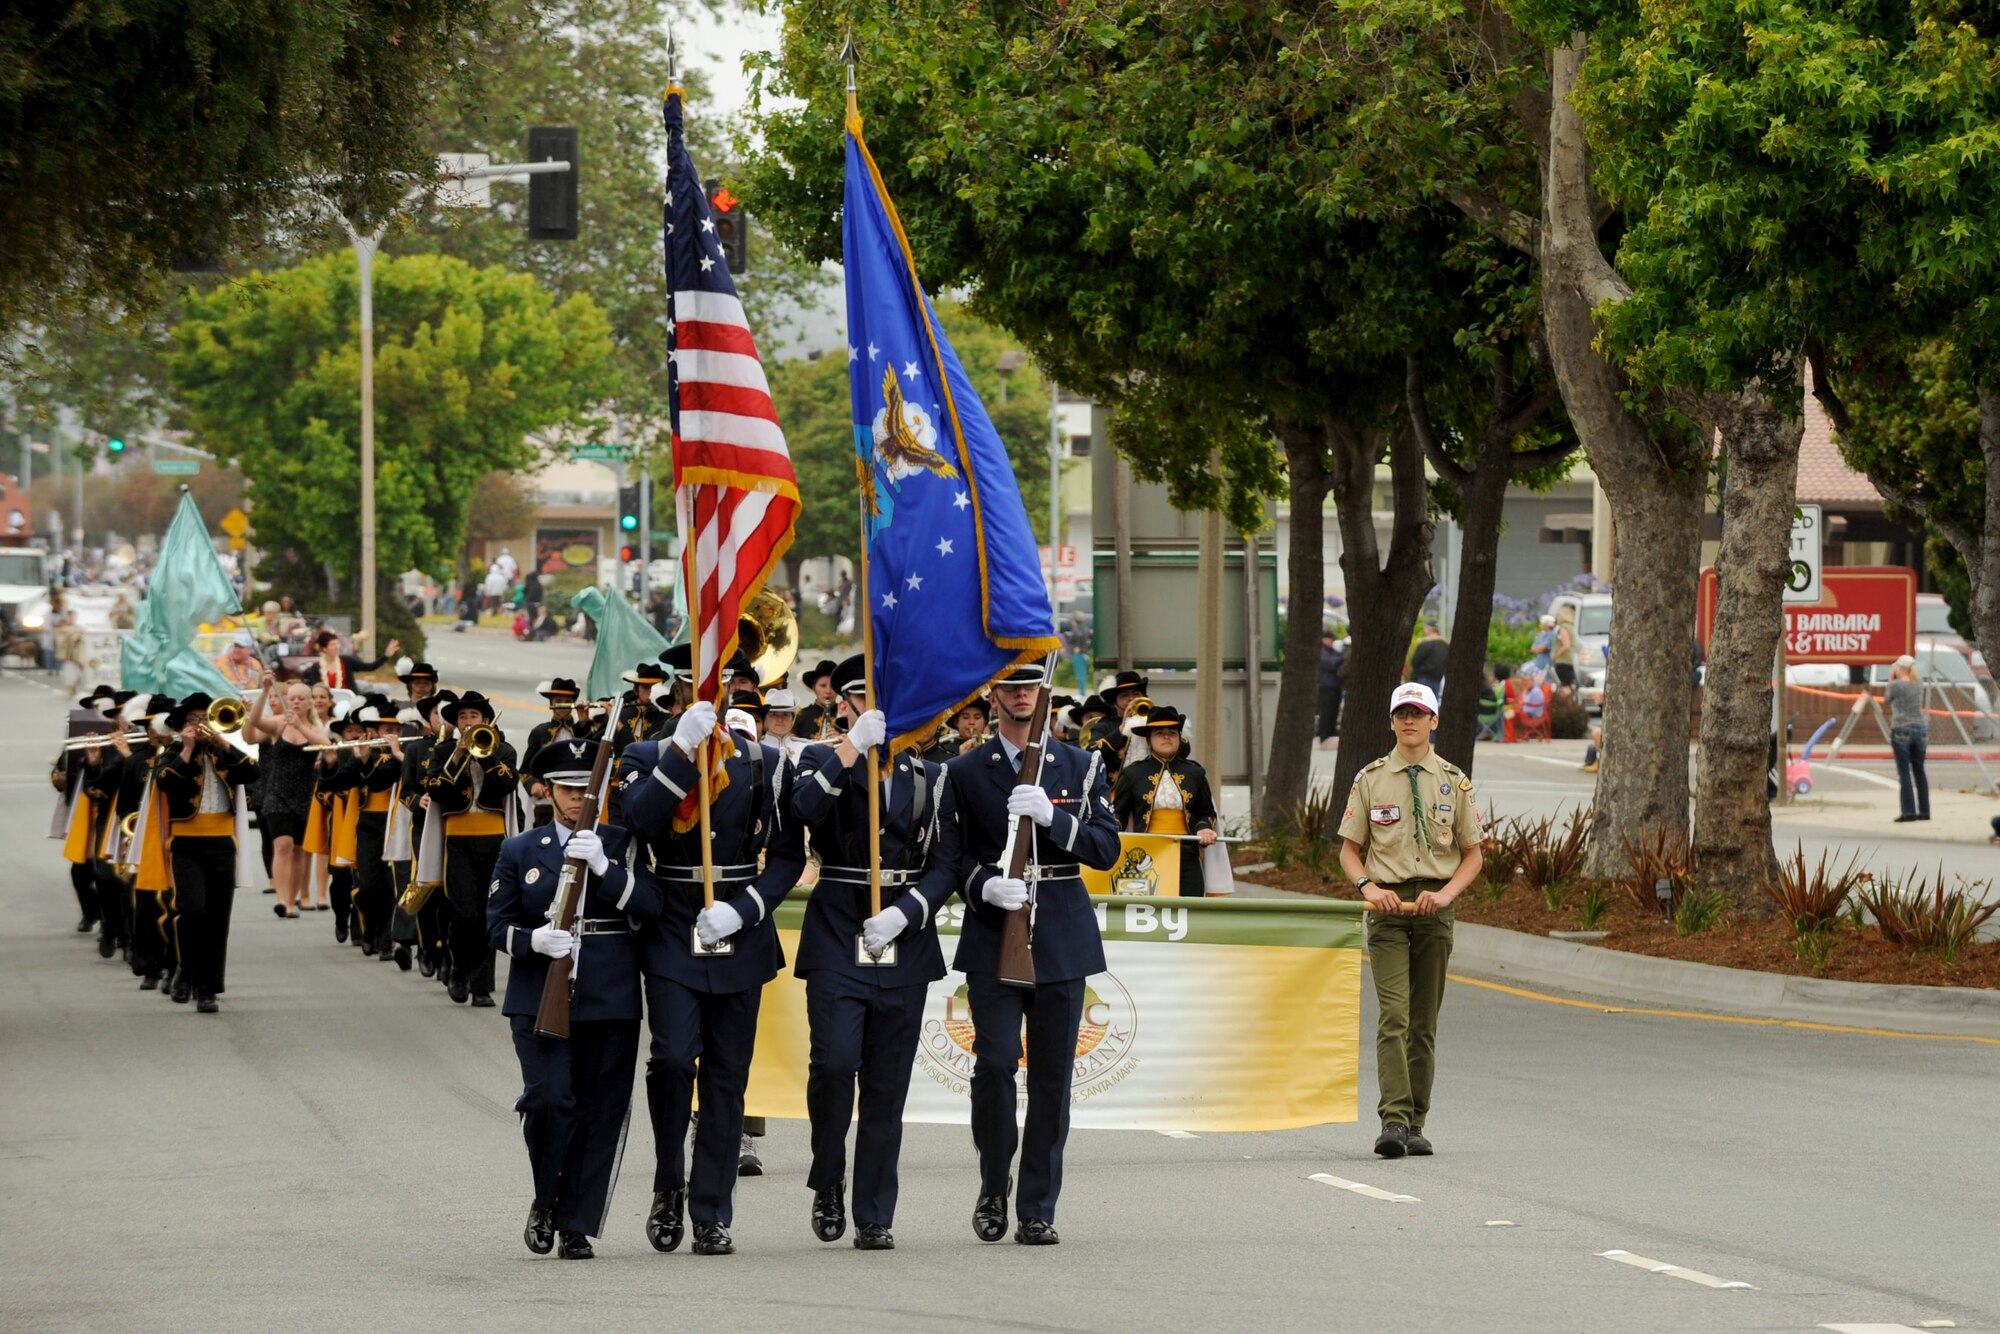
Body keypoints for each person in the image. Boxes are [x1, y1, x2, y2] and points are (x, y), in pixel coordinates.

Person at [619, 665, 807, 1258]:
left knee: (727, 1079)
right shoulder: (646, 753)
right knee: (673, 1059)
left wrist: (746, 908)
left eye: (729, 686)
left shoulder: (764, 762)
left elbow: (785, 856)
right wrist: (678, 752)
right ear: (683, 692)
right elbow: (640, 822)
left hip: (737, 928)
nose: (716, 694)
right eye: (702, 684)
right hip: (673, 921)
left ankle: (712, 1209)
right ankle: (668, 1181)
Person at [790, 656, 964, 1251]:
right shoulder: (818, 759)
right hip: (839, 925)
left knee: (887, 1086)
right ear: (843, 704)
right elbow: (800, 815)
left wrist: (906, 911)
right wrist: (846, 753)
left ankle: (874, 1211)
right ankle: (829, 1174)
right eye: (860, 699)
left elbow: (946, 864)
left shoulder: (928, 773)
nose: (874, 710)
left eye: (882, 699)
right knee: (835, 1063)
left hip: (903, 936)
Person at [947, 662, 1121, 1246]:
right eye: (1010, 686)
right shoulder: (965, 770)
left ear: (1042, 694)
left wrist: (1055, 816)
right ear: (993, 694)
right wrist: (984, 886)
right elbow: (952, 857)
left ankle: (1037, 1205)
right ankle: (995, 1181)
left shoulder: (1080, 764)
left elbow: (1105, 849)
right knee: (994, 1064)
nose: (1021, 694)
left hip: (1061, 939)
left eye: (1030, 686)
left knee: (1052, 1080)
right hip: (995, 933)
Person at [490, 737, 659, 1260]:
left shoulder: (623, 842)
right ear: (547, 790)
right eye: (566, 788)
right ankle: (546, 1199)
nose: (575, 797)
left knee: (598, 1110)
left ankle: (576, 1223)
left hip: (609, 994)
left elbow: (652, 907)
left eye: (586, 787)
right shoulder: (521, 849)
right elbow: (497, 924)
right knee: (547, 1100)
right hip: (539, 990)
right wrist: (534, 940)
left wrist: (607, 869)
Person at [1335, 682, 1484, 1159]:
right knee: (1394, 1016)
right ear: (1391, 721)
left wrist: (1445, 896)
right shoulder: (1371, 779)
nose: (1409, 721)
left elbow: (1473, 855)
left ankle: (1417, 1122)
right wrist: (1368, 888)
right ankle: (1393, 1120)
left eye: (1418, 713)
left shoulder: (1453, 781)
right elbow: (1349, 851)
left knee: (1423, 1022)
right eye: (1401, 713)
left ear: (1434, 721)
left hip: (1435, 909)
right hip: (1387, 911)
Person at [154, 693, 259, 1012]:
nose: (199, 725)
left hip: (222, 844)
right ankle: (185, 969)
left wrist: (226, 744)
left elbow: (252, 773)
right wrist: (186, 748)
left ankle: (207, 988)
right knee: (191, 909)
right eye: (192, 720)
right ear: (182, 726)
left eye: (204, 718)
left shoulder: (224, 751)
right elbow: (164, 783)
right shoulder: (173, 752)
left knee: (217, 917)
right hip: (186, 844)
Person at [423, 690, 521, 1007]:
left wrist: (485, 753)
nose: (467, 723)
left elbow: (507, 784)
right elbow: (436, 790)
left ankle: (481, 987)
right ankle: (458, 969)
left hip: (494, 839)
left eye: (473, 717)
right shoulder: (443, 753)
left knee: (487, 912)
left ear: (487, 721)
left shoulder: (503, 750)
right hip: (458, 839)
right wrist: (459, 756)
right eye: (462, 718)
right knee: (463, 911)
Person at [1110, 705, 1218, 896]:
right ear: (1149, 739)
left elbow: (1206, 812)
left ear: (1179, 737)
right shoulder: (1133, 773)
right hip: (1147, 856)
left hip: (1186, 854)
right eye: (1159, 733)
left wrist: (1204, 828)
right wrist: (1112, 828)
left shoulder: (1195, 773)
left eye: (1172, 732)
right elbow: (1119, 812)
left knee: (1190, 910)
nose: (1166, 737)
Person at [242, 678, 329, 917]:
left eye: (302, 699)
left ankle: (292, 900)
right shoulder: (279, 723)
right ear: (287, 701)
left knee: (300, 850)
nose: (297, 702)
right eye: (292, 699)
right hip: (276, 793)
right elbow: (256, 721)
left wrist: (300, 726)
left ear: (310, 703)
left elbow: (326, 745)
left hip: (304, 795)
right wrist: (264, 692)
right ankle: (281, 898)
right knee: (283, 845)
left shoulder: (314, 727)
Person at [523, 679, 596, 827]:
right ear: (551, 703)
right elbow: (524, 770)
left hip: (577, 800)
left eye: (567, 701)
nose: (562, 705)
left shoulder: (584, 729)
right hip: (546, 802)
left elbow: (593, 760)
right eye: (558, 701)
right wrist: (533, 786)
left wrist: (584, 723)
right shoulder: (540, 732)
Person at [1886, 653, 1930, 822]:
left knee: (1904, 771)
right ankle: (1925, 810)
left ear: (1901, 668)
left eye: (1896, 667)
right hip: (1920, 728)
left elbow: (1887, 699)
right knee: (1919, 770)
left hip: (1901, 728)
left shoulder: (1895, 685)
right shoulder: (1918, 683)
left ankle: (1908, 811)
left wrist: (1891, 679)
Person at [300, 628, 402, 692]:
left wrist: (386, 655)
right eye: (333, 645)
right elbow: (315, 690)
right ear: (324, 648)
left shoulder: (346, 661)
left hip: (349, 701)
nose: (337, 647)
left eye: (337, 643)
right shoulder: (316, 667)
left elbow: (370, 667)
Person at [795, 660, 840, 743]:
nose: (828, 691)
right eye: (823, 686)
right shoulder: (801, 716)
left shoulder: (847, 716)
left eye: (833, 686)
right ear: (813, 688)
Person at [760, 688, 807, 762]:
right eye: (774, 714)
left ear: (793, 719)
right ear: (765, 718)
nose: (780, 720)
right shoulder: (756, 747)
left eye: (785, 714)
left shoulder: (804, 748)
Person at [212, 629, 263, 695]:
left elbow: (260, 688)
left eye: (241, 647)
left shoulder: (256, 664)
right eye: (236, 646)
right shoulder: (219, 662)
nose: (236, 650)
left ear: (249, 649)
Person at [1318, 629, 1346, 748]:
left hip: (1335, 685)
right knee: (1326, 710)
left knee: (1333, 710)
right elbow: (1331, 663)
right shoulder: (1322, 651)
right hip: (1326, 685)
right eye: (1331, 640)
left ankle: (1331, 731)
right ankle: (1324, 733)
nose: (1332, 642)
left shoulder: (1332, 651)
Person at [1408, 623, 1448, 699]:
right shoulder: (1445, 645)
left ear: (1429, 629)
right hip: (1437, 680)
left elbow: (1415, 661)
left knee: (1420, 703)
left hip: (1422, 679)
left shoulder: (1425, 644)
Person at [54, 610, 88, 696]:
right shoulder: (62, 627)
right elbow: (60, 637)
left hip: (77, 654)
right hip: (67, 655)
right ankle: (70, 689)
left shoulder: (78, 627)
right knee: (69, 673)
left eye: (73, 616)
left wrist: (77, 633)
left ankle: (73, 688)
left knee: (77, 673)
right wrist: (72, 632)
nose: (72, 618)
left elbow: (83, 634)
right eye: (70, 616)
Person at [1062, 609, 1092, 692]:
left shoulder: (1078, 628)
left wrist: (1078, 646)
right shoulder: (1085, 628)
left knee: (1080, 673)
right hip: (1084, 653)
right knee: (1081, 673)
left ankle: (1082, 692)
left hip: (1079, 653)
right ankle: (1082, 691)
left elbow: (1079, 636)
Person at [1551, 605, 1579, 692]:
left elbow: (1566, 645)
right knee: (1569, 683)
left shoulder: (1563, 628)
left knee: (1565, 685)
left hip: (1562, 661)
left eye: (1558, 615)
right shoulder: (1571, 627)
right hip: (1569, 660)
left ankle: (1566, 703)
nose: (1557, 618)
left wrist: (1555, 656)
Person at [1528, 613, 1556, 678]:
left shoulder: (1552, 635)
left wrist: (1539, 648)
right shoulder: (1541, 634)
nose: (1540, 625)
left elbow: (1543, 648)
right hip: (1538, 663)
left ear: (1546, 625)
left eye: (1542, 623)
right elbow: (1532, 648)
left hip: (1547, 665)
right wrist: (1539, 648)